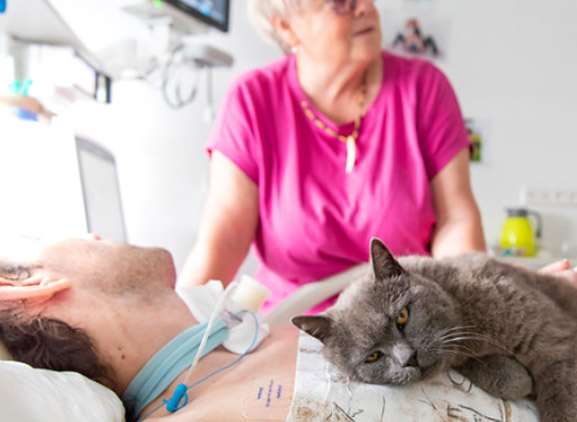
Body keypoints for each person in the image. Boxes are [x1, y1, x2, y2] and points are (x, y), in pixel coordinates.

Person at [0, 236, 577, 422]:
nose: (89, 230)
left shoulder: (237, 346)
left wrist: (530, 304)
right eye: (55, 239)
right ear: (25, 285)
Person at [178, 0, 486, 314]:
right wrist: (173, 328)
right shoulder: (251, 100)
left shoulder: (424, 88)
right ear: (286, 26)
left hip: (404, 325)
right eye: (341, 4)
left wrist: (470, 310)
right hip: (291, 326)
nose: (365, 8)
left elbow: (457, 219)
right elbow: (224, 237)